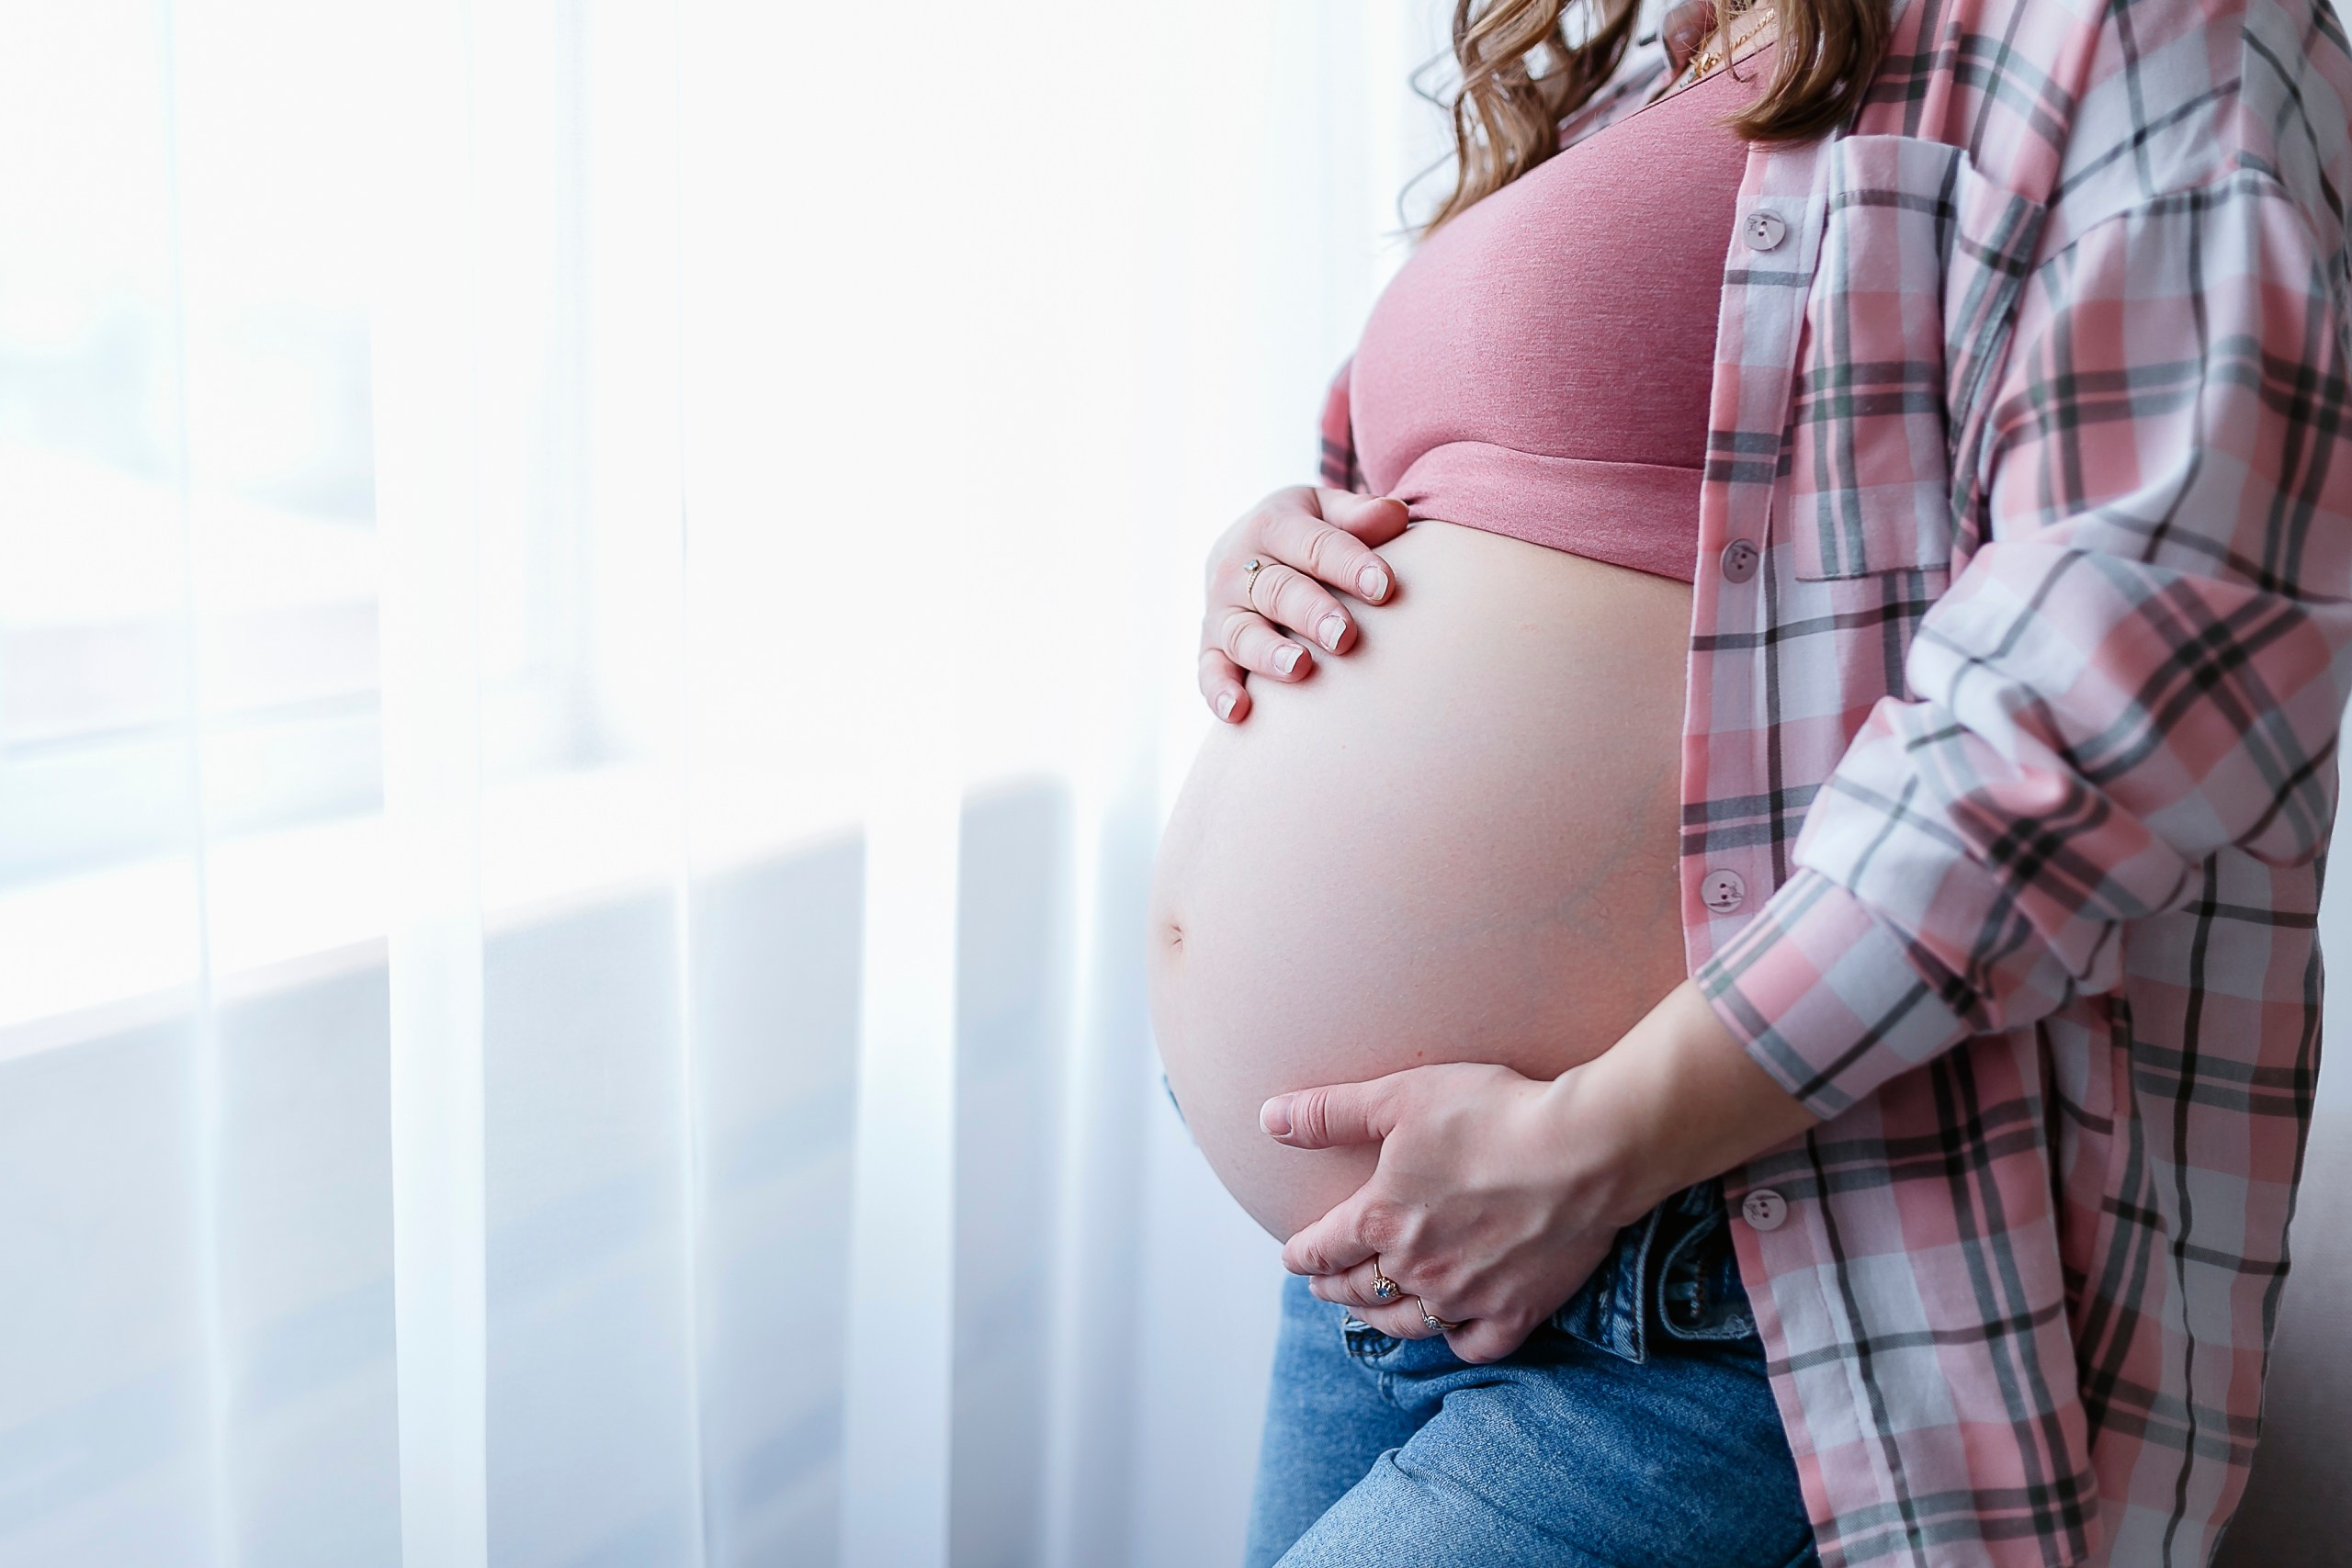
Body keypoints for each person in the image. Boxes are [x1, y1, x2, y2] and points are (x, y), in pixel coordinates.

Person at [1168, 0, 2352, 1562]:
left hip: (1740, 1281)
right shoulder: (1649, 66)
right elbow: (1443, 493)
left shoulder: (2128, 25)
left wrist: (1590, 1144)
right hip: (1400, 1260)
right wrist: (1272, 554)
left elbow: (2118, 690)